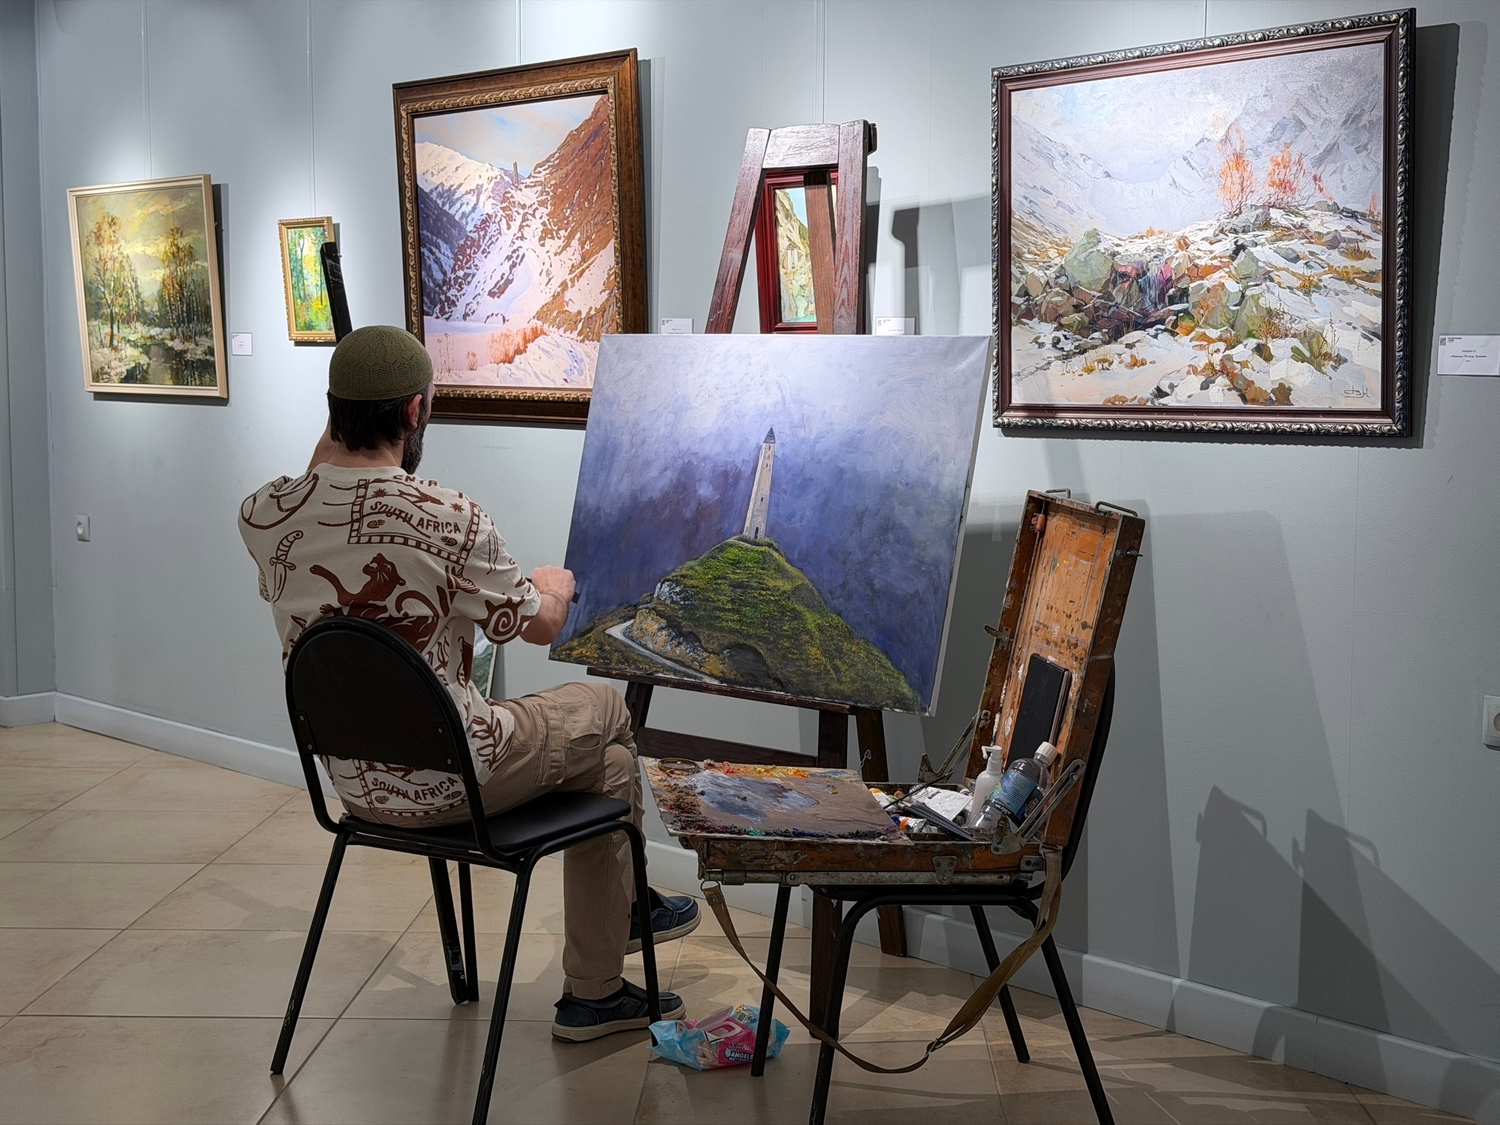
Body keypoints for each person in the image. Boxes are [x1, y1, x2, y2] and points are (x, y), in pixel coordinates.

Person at [238, 325, 697, 1041]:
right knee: (607, 706)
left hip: (352, 785)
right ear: (414, 411)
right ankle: (615, 938)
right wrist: (554, 585)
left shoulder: (264, 515)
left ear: (331, 410)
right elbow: (541, 627)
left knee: (609, 770)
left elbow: (317, 474)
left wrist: (344, 412)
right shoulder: (451, 520)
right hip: (456, 780)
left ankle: (605, 971)